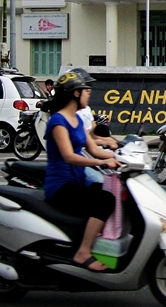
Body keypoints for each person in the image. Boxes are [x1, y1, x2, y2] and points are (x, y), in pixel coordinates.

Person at [41, 68, 117, 272]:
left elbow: (92, 148)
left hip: (77, 180)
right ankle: (83, 252)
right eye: (86, 90)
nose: (89, 93)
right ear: (76, 93)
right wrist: (100, 163)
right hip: (61, 185)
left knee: (109, 192)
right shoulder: (58, 121)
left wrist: (119, 157)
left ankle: (95, 241)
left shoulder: (75, 119)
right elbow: (69, 156)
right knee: (105, 200)